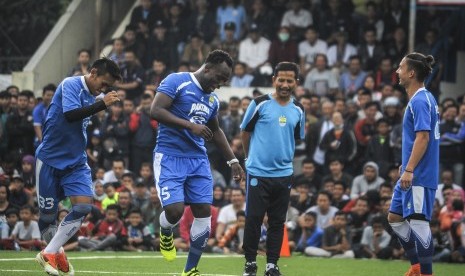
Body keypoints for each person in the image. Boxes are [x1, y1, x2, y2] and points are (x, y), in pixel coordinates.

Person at [150, 49, 244, 276]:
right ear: (207, 67)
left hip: (198, 159)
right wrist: (189, 125)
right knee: (174, 211)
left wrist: (233, 160)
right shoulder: (177, 81)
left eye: (225, 80)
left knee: (204, 211)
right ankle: (165, 232)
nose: (220, 84)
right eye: (219, 77)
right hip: (169, 155)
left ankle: (190, 269)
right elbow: (155, 110)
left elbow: (216, 130)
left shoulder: (212, 99)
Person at [34, 57, 122, 276]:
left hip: (76, 162)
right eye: (103, 83)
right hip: (49, 161)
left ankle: (49, 252)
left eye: (108, 87)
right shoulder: (70, 84)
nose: (104, 89)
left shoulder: (93, 95)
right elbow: (70, 115)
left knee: (83, 207)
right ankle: (57, 252)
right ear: (93, 73)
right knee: (47, 216)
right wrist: (102, 103)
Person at [240, 61, 305, 276]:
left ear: (296, 82)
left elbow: (295, 138)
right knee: (254, 219)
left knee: (278, 221)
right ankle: (250, 263)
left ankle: (272, 265)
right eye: (281, 80)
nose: (285, 84)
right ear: (273, 80)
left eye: (289, 81)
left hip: (283, 174)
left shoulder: (299, 109)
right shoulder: (259, 103)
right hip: (257, 173)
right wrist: (249, 158)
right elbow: (245, 132)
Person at [388, 52, 439, 276]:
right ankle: (416, 266)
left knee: (419, 223)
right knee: (395, 218)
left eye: (400, 67)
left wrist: (410, 169)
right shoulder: (420, 99)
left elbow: (423, 137)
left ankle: (425, 273)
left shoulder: (420, 100)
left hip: (419, 175)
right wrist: (406, 166)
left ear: (411, 73)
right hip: (410, 172)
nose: (397, 71)